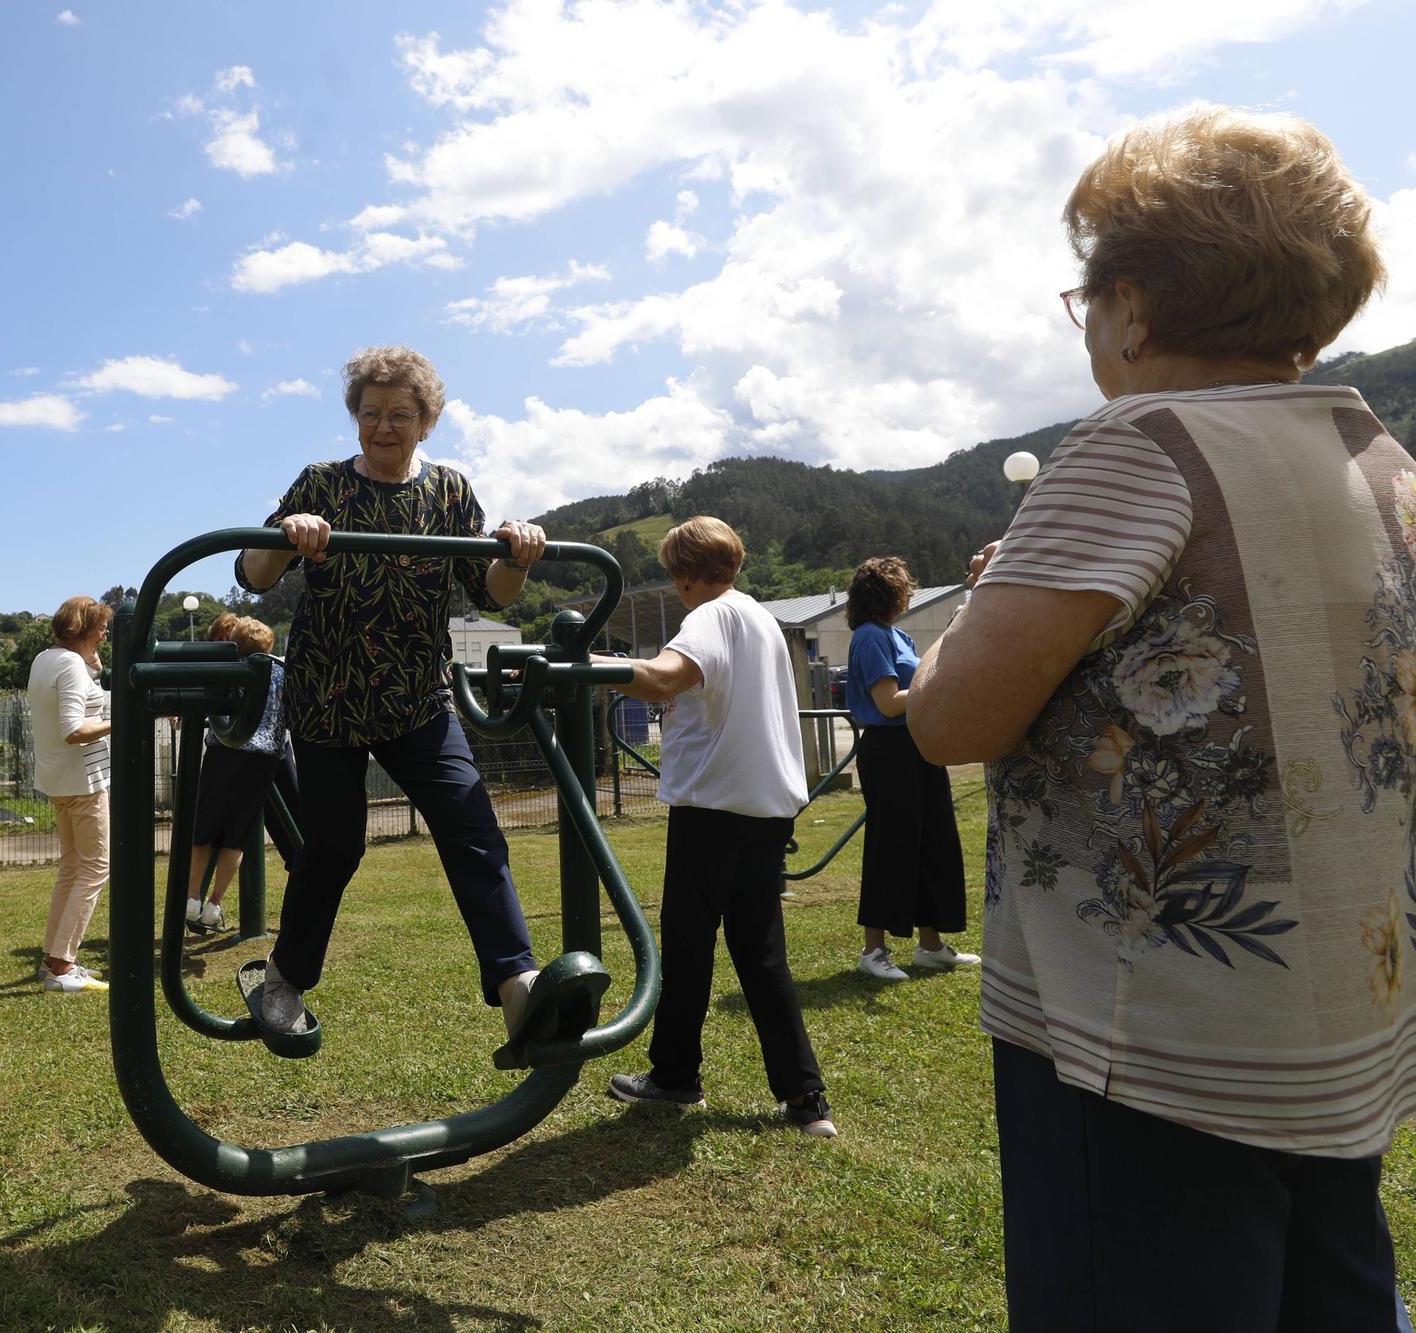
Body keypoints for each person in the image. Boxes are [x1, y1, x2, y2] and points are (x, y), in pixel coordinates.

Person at [908, 106, 1412, 1331]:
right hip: (1333, 1017)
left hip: (1141, 1035)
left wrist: (977, 614)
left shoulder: (1138, 442)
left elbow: (951, 720)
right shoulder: (1380, 459)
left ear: (1129, 305)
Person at [235, 345, 548, 1040]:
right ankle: (284, 979)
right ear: (356, 419)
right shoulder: (319, 482)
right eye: (371, 413)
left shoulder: (450, 491)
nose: (384, 426)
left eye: (399, 414)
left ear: (425, 421)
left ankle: (518, 983)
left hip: (417, 698)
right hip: (329, 699)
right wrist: (290, 535)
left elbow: (489, 591)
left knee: (472, 828)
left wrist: (516, 555)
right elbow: (254, 574)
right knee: (336, 845)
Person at [600, 519, 836, 1136]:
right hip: (767, 808)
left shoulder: (709, 616)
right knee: (761, 955)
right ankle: (805, 1100)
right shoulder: (758, 616)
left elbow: (666, 677)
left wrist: (579, 664)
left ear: (682, 575)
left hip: (714, 810)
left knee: (687, 946)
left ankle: (675, 1077)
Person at [844, 556, 979, 980]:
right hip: (889, 751)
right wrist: (936, 686)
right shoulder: (869, 637)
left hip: (918, 746)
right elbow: (887, 703)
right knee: (893, 844)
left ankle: (931, 945)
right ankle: (874, 950)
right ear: (887, 593)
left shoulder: (896, 634)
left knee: (934, 840)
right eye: (903, 588)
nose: (909, 594)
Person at [28, 595, 114, 994]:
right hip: (84, 782)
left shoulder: (47, 659)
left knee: (72, 868)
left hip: (59, 780)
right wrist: (121, 720)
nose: (105, 632)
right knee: (95, 868)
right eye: (100, 626)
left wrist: (92, 666)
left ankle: (54, 959)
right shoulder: (71, 667)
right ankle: (63, 966)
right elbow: (74, 729)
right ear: (82, 628)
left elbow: (74, 703)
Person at [183, 615, 288, 936]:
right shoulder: (282, 674)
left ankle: (191, 898)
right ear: (268, 644)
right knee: (236, 839)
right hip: (264, 759)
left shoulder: (230, 670)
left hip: (225, 752)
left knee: (204, 832)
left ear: (236, 642)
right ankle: (215, 904)